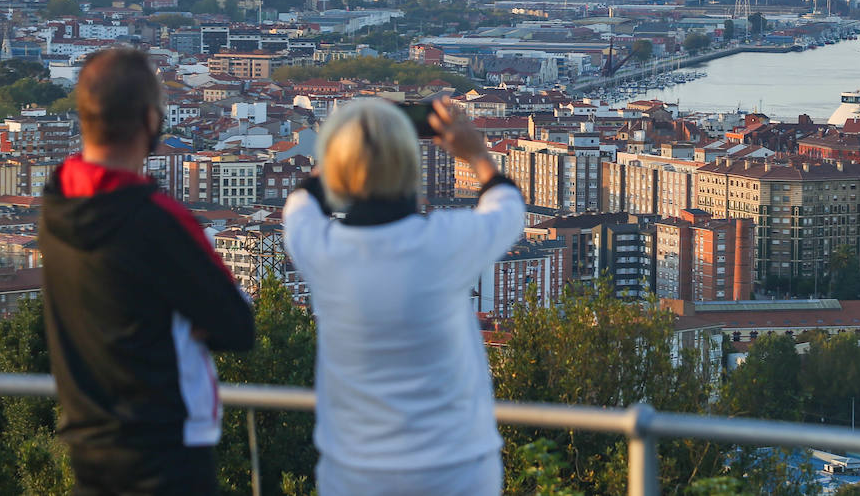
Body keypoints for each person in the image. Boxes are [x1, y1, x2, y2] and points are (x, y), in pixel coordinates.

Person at [39, 47, 255, 495]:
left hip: (87, 448)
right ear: (151, 121)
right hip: (165, 453)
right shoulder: (158, 220)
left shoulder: (56, 204)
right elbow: (237, 327)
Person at [284, 97, 526, 496]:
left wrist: (345, 153)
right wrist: (477, 154)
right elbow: (507, 206)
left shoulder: (321, 249)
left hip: (354, 473)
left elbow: (299, 202)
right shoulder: (443, 243)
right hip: (455, 470)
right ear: (410, 167)